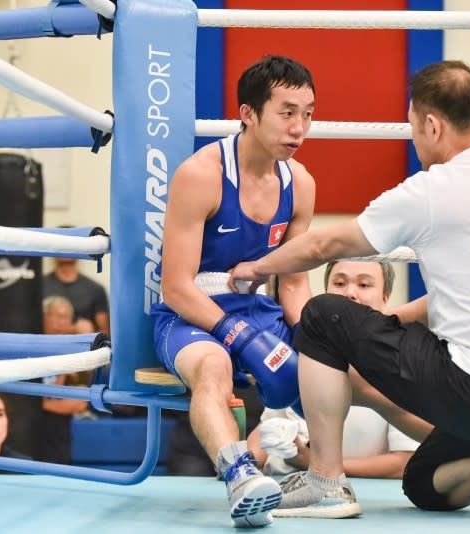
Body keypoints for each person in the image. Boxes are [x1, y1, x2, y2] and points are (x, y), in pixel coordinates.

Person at [229, 60, 470, 523]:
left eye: (413, 129)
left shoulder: (435, 189)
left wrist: (255, 267)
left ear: (433, 125)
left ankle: (326, 482)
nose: (414, 141)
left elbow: (327, 244)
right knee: (424, 483)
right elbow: (468, 299)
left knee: (325, 314)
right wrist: (388, 326)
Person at [150, 55, 316, 527]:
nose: (299, 126)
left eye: (307, 113)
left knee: (330, 368)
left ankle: (332, 473)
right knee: (214, 365)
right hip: (191, 315)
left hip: (258, 310)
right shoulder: (200, 174)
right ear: (248, 113)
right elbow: (176, 286)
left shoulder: (300, 185)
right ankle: (240, 475)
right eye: (287, 112)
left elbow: (297, 280)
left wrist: (306, 335)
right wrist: (235, 333)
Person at [248, 260, 420, 479]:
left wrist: (313, 464)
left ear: (385, 297)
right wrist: (244, 463)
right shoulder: (300, 353)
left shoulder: (403, 364)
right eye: (339, 283)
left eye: (364, 285)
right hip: (278, 488)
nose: (349, 293)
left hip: (352, 492)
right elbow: (268, 427)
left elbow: (403, 462)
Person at [39, 296, 92, 464]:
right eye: (57, 316)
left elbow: (79, 403)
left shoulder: (76, 353)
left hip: (57, 426)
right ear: (44, 317)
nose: (62, 322)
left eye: (67, 318)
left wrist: (39, 404)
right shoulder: (31, 345)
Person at [43, 255, 110, 334]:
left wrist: (87, 332)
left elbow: (104, 333)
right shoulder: (37, 286)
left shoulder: (96, 289)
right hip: (46, 344)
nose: (66, 247)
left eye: (70, 242)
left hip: (84, 344)